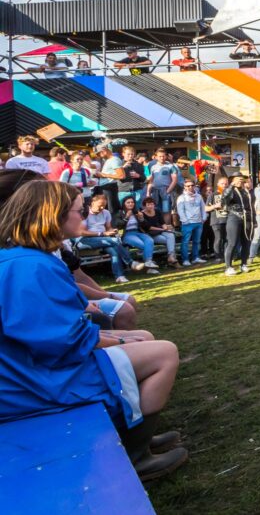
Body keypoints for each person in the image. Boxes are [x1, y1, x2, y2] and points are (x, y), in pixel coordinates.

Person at [0, 180, 188, 481]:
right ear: (54, 215)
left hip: (30, 370)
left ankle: (138, 435)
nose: (84, 216)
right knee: (164, 353)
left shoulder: (25, 258)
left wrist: (119, 338)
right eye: (79, 209)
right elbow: (62, 344)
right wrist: (118, 338)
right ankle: (137, 455)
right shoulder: (31, 267)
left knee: (147, 341)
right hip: (34, 382)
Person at [76, 193, 143, 282]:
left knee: (114, 251)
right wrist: (102, 233)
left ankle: (119, 276)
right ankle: (130, 262)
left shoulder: (106, 212)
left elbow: (108, 227)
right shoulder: (85, 213)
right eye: (100, 206)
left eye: (104, 206)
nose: (102, 208)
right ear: (92, 203)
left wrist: (112, 231)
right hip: (85, 240)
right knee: (114, 241)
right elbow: (82, 232)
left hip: (104, 239)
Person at [115, 195, 159, 272]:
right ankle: (149, 267)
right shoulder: (120, 212)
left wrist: (141, 219)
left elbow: (146, 226)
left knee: (150, 240)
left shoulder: (136, 212)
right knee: (143, 245)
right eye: (128, 202)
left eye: (132, 202)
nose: (130, 204)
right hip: (127, 234)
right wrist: (126, 218)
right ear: (124, 204)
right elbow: (118, 225)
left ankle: (148, 263)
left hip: (137, 232)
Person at [221, 173, 253, 276]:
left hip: (246, 219)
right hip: (234, 218)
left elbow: (250, 207)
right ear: (233, 180)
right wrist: (231, 185)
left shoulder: (244, 191)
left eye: (241, 179)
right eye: (237, 179)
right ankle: (228, 267)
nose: (240, 181)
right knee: (232, 243)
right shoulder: (230, 191)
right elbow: (224, 198)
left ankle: (243, 264)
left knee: (246, 242)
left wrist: (253, 221)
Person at [138, 197, 177, 266]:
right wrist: (162, 229)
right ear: (144, 206)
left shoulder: (157, 211)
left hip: (160, 231)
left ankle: (171, 256)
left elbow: (162, 222)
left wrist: (166, 227)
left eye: (152, 204)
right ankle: (171, 257)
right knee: (168, 240)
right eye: (148, 204)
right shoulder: (142, 214)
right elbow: (149, 228)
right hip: (151, 234)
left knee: (171, 235)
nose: (151, 206)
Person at [145, 147, 179, 226]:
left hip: (166, 191)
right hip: (155, 191)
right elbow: (151, 180)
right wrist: (148, 193)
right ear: (156, 157)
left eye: (163, 156)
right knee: (155, 210)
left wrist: (168, 191)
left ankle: (167, 227)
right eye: (160, 156)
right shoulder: (153, 167)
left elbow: (174, 180)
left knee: (166, 210)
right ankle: (158, 226)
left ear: (166, 156)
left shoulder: (171, 166)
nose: (162, 158)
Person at [175, 179, 206, 267]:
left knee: (197, 241)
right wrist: (186, 221)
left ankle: (195, 257)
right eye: (188, 186)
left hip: (198, 222)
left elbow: (203, 208)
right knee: (185, 242)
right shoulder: (181, 197)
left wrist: (203, 218)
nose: (190, 187)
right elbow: (180, 210)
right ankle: (185, 259)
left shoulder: (199, 196)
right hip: (188, 223)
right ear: (184, 187)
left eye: (192, 185)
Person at [206, 177, 229, 261]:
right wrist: (215, 206)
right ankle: (218, 257)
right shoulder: (213, 195)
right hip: (216, 221)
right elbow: (206, 208)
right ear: (218, 184)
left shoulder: (230, 194)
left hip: (228, 220)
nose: (224, 185)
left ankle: (227, 256)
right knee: (218, 238)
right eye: (222, 183)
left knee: (227, 239)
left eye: (226, 184)